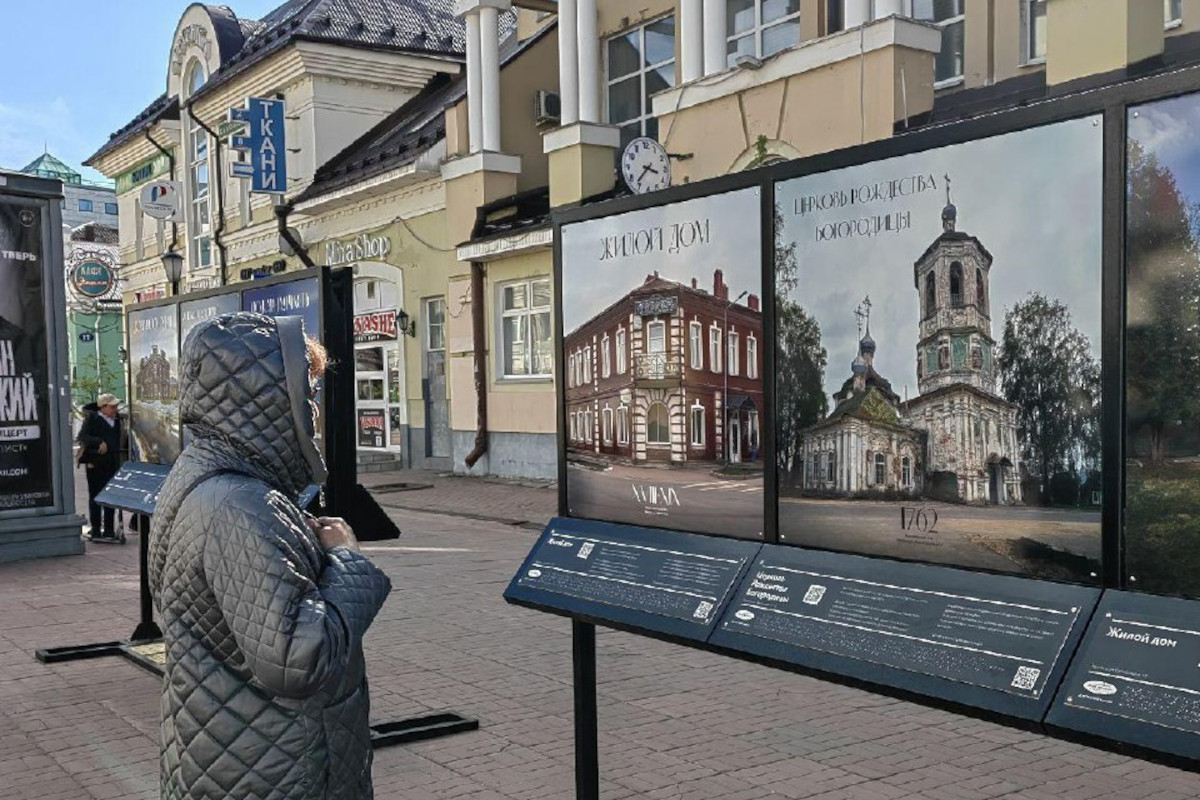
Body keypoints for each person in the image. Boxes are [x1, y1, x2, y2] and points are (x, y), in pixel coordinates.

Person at [149, 312, 392, 800]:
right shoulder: (241, 505)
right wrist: (347, 561)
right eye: (308, 392)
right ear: (269, 398)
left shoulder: (212, 479)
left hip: (238, 753)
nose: (315, 410)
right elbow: (297, 660)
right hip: (275, 769)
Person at [77, 393, 123, 540]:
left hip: (111, 462)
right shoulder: (93, 419)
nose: (115, 409)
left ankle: (109, 529)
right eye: (112, 407)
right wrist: (99, 441)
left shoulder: (117, 420)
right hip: (95, 462)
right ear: (103, 407)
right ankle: (96, 528)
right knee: (95, 496)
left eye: (116, 406)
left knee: (110, 496)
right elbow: (82, 436)